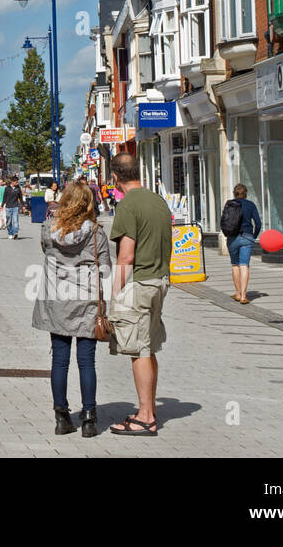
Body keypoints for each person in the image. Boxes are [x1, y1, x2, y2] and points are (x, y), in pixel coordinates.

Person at [31, 181, 111, 438]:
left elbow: (46, 251)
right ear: (88, 204)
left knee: (59, 360)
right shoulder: (96, 233)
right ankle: (89, 419)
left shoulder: (48, 229)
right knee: (87, 361)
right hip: (86, 301)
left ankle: (62, 417)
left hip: (57, 300)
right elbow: (106, 269)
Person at [106, 152, 172, 437]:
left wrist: (114, 294)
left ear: (115, 178)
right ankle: (149, 408)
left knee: (138, 350)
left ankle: (145, 417)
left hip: (141, 283)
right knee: (149, 346)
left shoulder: (127, 205)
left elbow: (126, 256)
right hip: (160, 280)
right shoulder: (157, 200)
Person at [225, 183, 261, 304]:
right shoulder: (250, 205)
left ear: (234, 193)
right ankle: (244, 296)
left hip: (232, 237)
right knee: (244, 265)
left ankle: (238, 293)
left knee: (235, 265)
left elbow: (225, 221)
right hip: (247, 237)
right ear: (246, 193)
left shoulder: (229, 204)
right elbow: (258, 223)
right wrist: (253, 236)